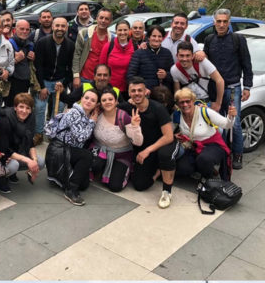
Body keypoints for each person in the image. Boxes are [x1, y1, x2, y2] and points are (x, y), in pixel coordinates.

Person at [203, 8, 253, 169]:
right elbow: (204, 63)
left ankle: (237, 154)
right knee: (217, 124)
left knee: (235, 124)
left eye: (225, 21)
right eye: (219, 21)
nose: (222, 24)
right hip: (214, 90)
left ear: (229, 22)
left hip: (233, 89)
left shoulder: (238, 39)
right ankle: (221, 153)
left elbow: (247, 63)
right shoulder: (209, 39)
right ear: (214, 22)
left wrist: (248, 86)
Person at [126, 77, 177, 206]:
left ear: (145, 92)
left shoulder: (158, 108)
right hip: (145, 147)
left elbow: (168, 136)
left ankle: (167, 191)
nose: (137, 93)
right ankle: (158, 172)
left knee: (164, 155)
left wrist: (147, 150)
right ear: (129, 93)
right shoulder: (128, 107)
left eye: (139, 90)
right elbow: (110, 106)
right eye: (133, 91)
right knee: (140, 185)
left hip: (163, 143)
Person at [44, 88, 99, 206]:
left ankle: (68, 181)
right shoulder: (74, 113)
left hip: (68, 150)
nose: (89, 101)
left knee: (84, 185)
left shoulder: (86, 115)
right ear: (81, 99)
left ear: (96, 105)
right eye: (86, 98)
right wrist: (92, 122)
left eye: (93, 100)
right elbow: (81, 137)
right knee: (87, 156)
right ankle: (70, 190)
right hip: (58, 150)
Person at [173, 87, 237, 181]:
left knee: (204, 159)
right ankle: (204, 169)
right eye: (181, 102)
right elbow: (170, 129)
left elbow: (227, 125)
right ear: (178, 104)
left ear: (193, 101)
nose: (185, 104)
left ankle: (209, 180)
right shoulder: (178, 115)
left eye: (188, 101)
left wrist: (231, 116)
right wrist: (173, 136)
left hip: (213, 145)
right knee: (182, 168)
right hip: (193, 147)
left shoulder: (204, 111)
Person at [89, 88, 141, 191]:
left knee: (115, 187)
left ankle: (122, 169)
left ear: (116, 101)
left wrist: (135, 127)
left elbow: (138, 142)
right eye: (104, 100)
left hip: (120, 155)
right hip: (99, 150)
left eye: (110, 99)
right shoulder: (97, 114)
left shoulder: (123, 117)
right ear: (100, 103)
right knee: (94, 164)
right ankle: (101, 167)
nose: (107, 102)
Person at [33, 16, 75, 138]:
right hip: (44, 81)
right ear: (52, 27)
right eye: (57, 26)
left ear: (66, 28)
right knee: (40, 108)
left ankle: (52, 132)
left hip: (60, 81)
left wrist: (64, 83)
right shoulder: (42, 43)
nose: (59, 28)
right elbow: (38, 66)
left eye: (63, 26)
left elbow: (71, 67)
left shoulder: (70, 45)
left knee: (59, 109)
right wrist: (42, 86)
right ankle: (39, 133)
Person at [0, 94, 44, 187]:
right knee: (13, 165)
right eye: (21, 107)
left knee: (40, 162)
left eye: (28, 108)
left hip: (17, 151)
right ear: (15, 107)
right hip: (1, 154)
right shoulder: (6, 119)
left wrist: (34, 161)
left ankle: (11, 174)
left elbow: (30, 143)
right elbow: (5, 149)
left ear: (31, 110)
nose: (24, 111)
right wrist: (28, 161)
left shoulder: (31, 118)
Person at [73, 8, 114, 89]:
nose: (103, 21)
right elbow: (77, 55)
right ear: (96, 18)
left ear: (110, 21)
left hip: (101, 80)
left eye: (106, 19)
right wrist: (76, 76)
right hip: (84, 78)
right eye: (101, 18)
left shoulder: (112, 39)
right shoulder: (85, 33)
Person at [128, 26, 173, 90]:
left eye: (159, 36)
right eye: (154, 36)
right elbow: (131, 75)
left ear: (163, 38)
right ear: (149, 37)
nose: (157, 39)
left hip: (162, 93)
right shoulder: (139, 53)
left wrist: (166, 75)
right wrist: (142, 89)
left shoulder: (167, 53)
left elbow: (174, 74)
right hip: (144, 93)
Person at [98, 19, 135, 97]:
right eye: (120, 30)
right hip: (110, 89)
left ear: (129, 31)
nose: (122, 33)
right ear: (116, 31)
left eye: (125, 30)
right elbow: (101, 67)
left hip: (129, 89)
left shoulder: (135, 47)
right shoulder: (108, 46)